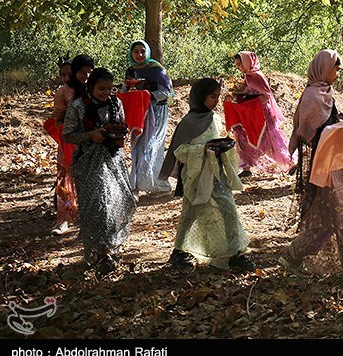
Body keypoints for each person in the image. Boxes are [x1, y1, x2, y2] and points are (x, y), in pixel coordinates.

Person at [279, 49, 343, 284]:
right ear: (323, 68)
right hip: (324, 163)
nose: (337, 74)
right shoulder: (312, 96)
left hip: (336, 160)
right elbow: (310, 132)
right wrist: (336, 125)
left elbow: (328, 123)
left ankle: (291, 256)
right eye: (335, 69)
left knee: (326, 216)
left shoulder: (326, 92)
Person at [159, 78, 255, 272]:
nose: (216, 101)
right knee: (191, 211)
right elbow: (181, 152)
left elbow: (216, 141)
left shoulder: (214, 118)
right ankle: (180, 252)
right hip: (196, 176)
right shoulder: (188, 123)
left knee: (227, 208)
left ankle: (235, 252)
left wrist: (222, 148)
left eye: (218, 97)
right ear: (200, 97)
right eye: (212, 97)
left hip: (215, 173)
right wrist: (203, 149)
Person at [62, 67, 135, 277]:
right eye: (101, 89)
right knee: (98, 205)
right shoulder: (78, 106)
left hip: (113, 158)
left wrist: (118, 135)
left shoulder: (116, 103)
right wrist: (90, 135)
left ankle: (110, 248)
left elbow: (121, 126)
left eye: (110, 89)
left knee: (119, 201)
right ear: (90, 87)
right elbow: (68, 135)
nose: (106, 93)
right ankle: (101, 253)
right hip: (88, 161)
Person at [228, 51, 293, 178]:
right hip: (252, 113)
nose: (238, 68)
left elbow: (265, 96)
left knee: (271, 140)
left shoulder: (256, 76)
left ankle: (290, 163)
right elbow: (250, 93)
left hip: (263, 115)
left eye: (239, 64)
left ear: (247, 62)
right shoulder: (248, 76)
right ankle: (246, 167)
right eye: (236, 65)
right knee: (243, 136)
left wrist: (249, 101)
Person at [123, 40, 173, 196]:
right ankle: (136, 185)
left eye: (142, 51)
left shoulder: (157, 70)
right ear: (131, 53)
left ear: (148, 52)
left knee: (152, 146)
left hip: (156, 112)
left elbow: (167, 92)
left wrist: (147, 96)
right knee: (137, 145)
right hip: (138, 113)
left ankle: (157, 185)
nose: (139, 55)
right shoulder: (131, 71)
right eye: (136, 51)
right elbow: (126, 90)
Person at [49, 55, 78, 235]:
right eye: (63, 75)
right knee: (64, 176)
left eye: (70, 74)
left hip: (87, 142)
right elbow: (58, 120)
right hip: (68, 141)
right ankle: (63, 219)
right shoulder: (61, 92)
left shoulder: (89, 89)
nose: (67, 78)